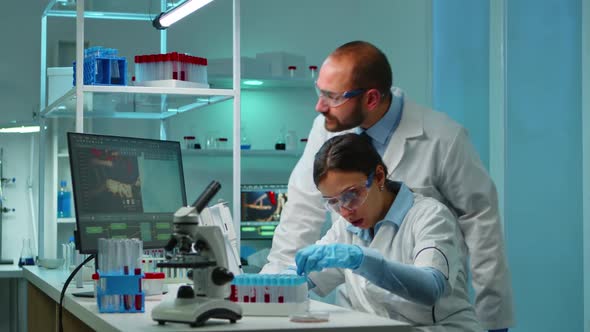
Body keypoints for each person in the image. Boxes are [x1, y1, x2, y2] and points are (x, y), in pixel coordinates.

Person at [261, 40, 513, 331]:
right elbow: (301, 212)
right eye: (320, 92)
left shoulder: (442, 140)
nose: (320, 106)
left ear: (370, 99)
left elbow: (482, 225)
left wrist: (494, 317)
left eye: (332, 96)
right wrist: (270, 291)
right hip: (363, 313)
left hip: (429, 316)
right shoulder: (328, 134)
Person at [295, 133, 480, 330]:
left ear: (379, 177)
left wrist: (363, 260)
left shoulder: (430, 215)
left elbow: (431, 288)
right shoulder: (345, 227)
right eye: (333, 201)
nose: (344, 210)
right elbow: (307, 278)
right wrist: (282, 280)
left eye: (352, 194)